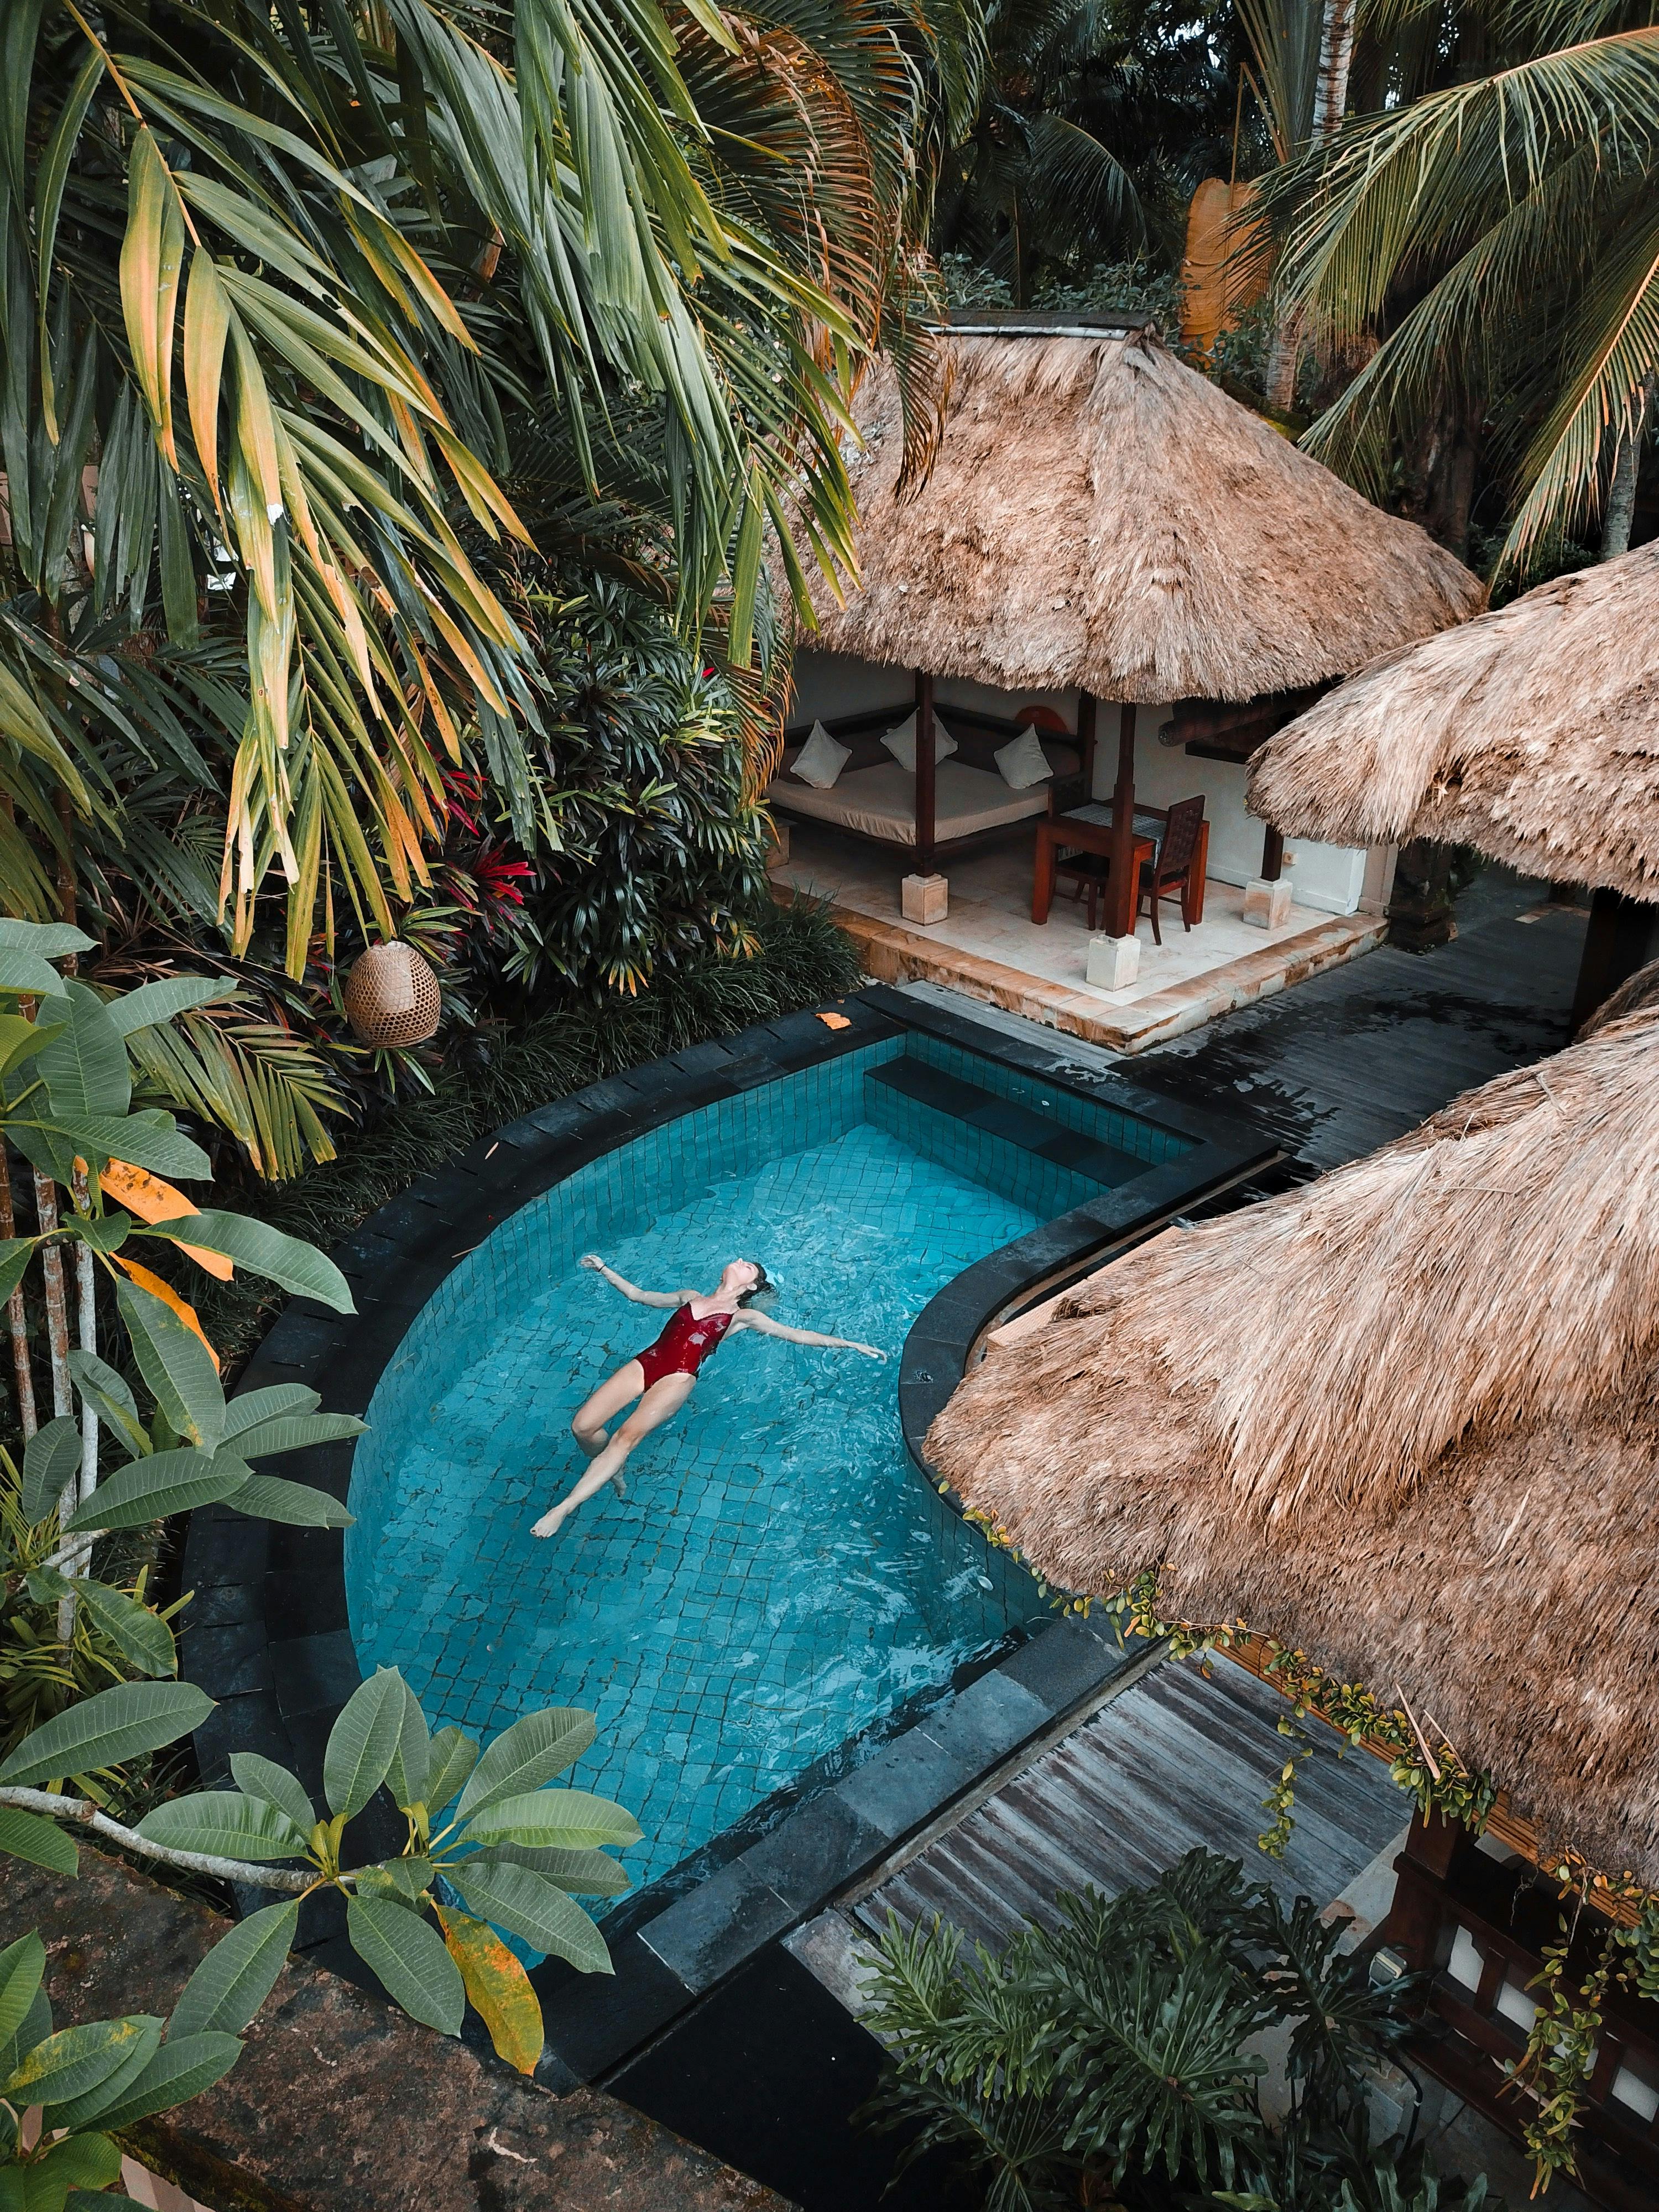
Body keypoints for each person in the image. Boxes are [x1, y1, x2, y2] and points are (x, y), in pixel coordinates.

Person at [530, 1254, 888, 1538]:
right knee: (583, 1427)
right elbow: (639, 1295)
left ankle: (564, 1508)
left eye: (747, 1265)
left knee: (624, 1437)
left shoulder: (743, 1316)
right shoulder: (690, 1297)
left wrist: (850, 1343)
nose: (738, 1260)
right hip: (648, 1361)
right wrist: (604, 1269)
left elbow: (797, 1335)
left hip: (678, 1377)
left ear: (752, 1284)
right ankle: (612, 1469)